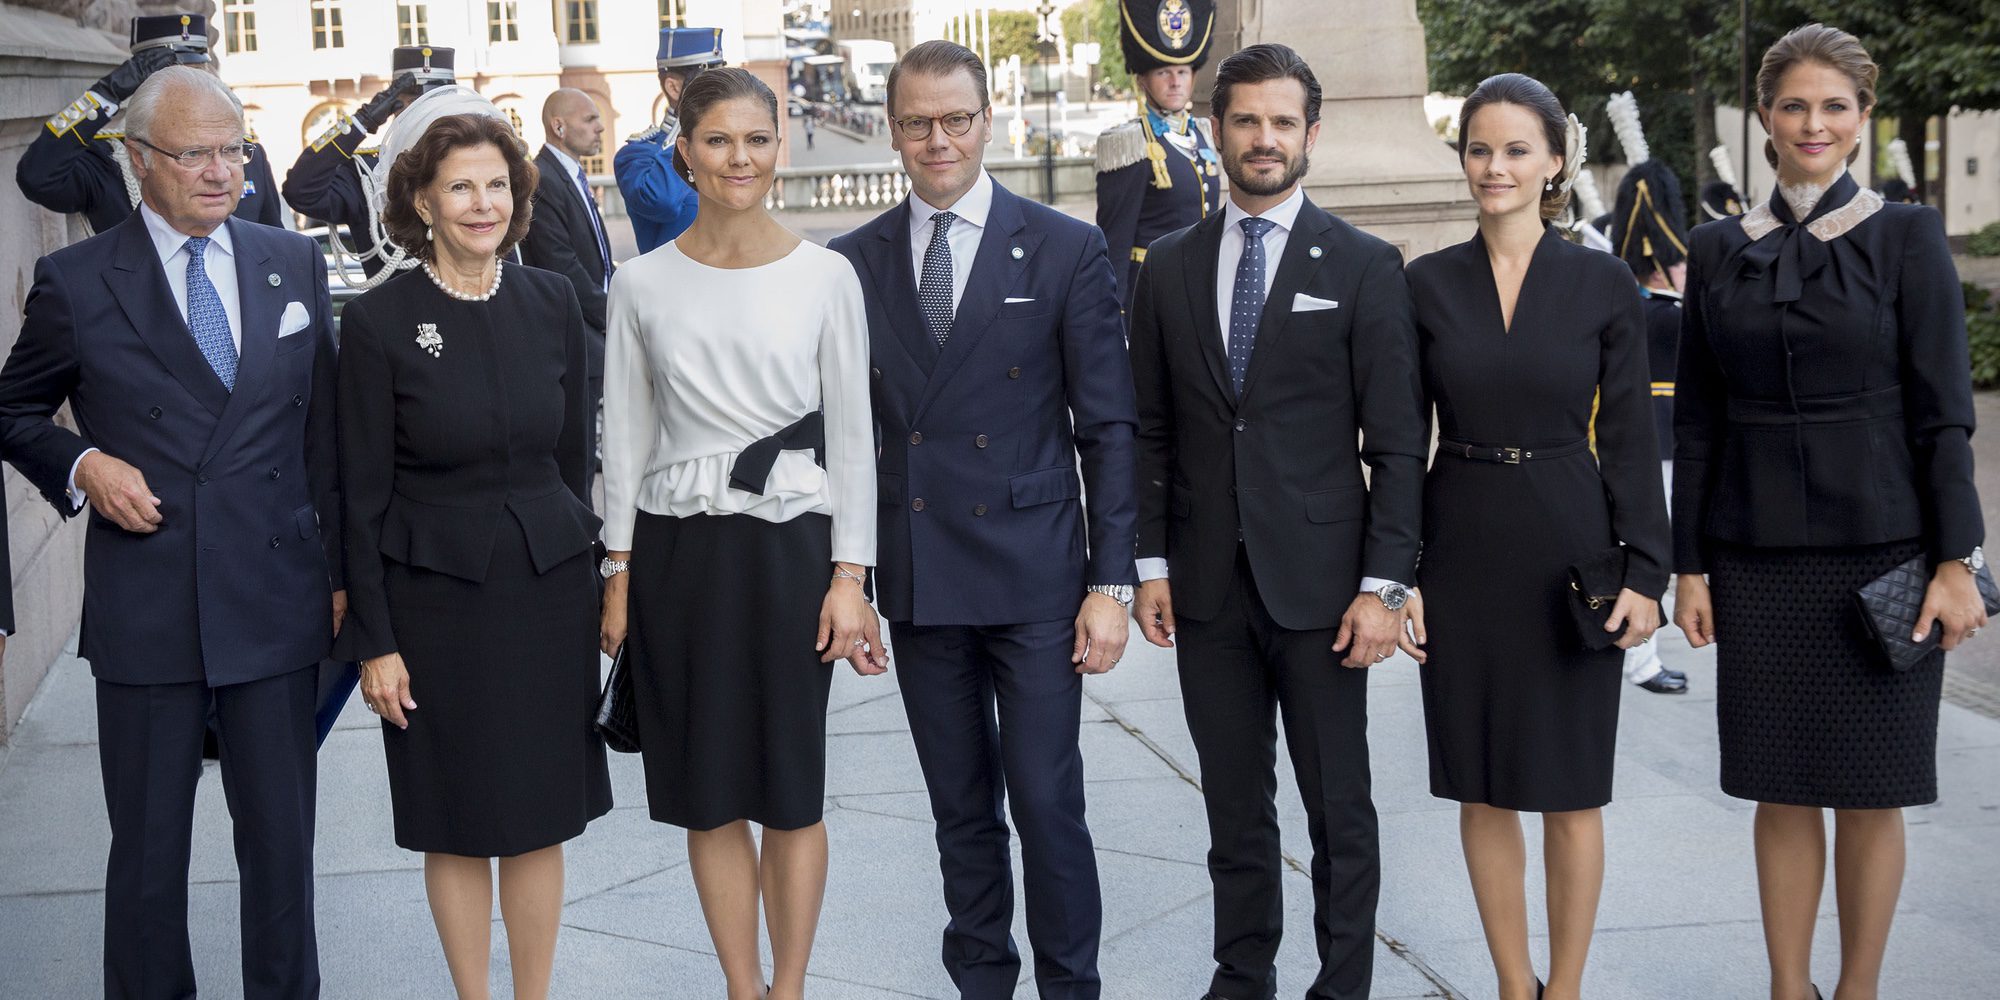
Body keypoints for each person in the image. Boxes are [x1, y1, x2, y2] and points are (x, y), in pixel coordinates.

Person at [0, 65, 341, 999]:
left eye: (234, 151)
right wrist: (83, 465)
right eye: (195, 154)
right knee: (148, 863)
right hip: (150, 612)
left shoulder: (292, 261)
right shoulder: (76, 281)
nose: (220, 172)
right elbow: (11, 409)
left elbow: (327, 439)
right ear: (139, 160)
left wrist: (344, 581)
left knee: (281, 858)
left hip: (274, 606)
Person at [1672, 24, 1986, 1000]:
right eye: (1794, 104)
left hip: (1884, 559)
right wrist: (1687, 566)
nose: (1813, 122)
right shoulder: (1719, 248)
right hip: (1755, 561)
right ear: (1764, 115)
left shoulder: (1905, 235)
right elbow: (1696, 418)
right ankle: (1785, 986)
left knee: (1869, 787)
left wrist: (1955, 560)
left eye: (1833, 105)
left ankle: (1855, 988)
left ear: (1859, 117)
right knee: (1779, 784)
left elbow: (1944, 413)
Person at [827, 39, 1137, 999]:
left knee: (1047, 803)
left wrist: (1111, 584)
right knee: (960, 810)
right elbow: (842, 438)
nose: (937, 140)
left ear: (987, 118)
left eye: (954, 118)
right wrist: (853, 581)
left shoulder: (1064, 244)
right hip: (922, 580)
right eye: (916, 122)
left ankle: (1071, 988)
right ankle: (983, 987)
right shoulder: (850, 262)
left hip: (1039, 573)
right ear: (892, 128)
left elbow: (1110, 427)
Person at [1127, 43, 1425, 1000]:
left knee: (1340, 806)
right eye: (1247, 119)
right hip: (1208, 584)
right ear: (1218, 131)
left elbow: (1398, 446)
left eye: (1282, 122)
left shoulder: (1366, 264)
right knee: (1232, 807)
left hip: (1327, 589)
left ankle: (1342, 985)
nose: (1264, 138)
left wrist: (1385, 587)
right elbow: (1152, 429)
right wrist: (1149, 563)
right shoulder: (1169, 267)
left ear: (1311, 136)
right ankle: (1241, 975)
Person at [598, 67, 881, 1000]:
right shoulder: (638, 283)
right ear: (683, 148)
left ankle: (789, 988)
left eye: (756, 139)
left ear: (781, 146)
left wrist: (853, 575)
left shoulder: (827, 274)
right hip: (678, 554)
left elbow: (852, 438)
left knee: (792, 788)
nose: (739, 158)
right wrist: (619, 571)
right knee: (706, 792)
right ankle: (739, 985)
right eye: (718, 140)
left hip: (791, 555)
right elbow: (625, 436)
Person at [333, 96, 610, 1000]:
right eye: (462, 187)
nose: (483, 204)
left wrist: (604, 575)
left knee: (538, 816)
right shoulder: (378, 324)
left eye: (497, 185)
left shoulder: (552, 298)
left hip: (545, 593)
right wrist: (376, 642)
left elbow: (572, 463)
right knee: (452, 817)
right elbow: (360, 496)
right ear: (423, 202)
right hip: (433, 603)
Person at [1408, 74, 1668, 1000]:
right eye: (1480, 147)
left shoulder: (1601, 280)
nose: (1496, 166)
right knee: (1480, 783)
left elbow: (1634, 434)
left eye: (1517, 149)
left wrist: (1648, 569)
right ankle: (1515, 986)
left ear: (1555, 160)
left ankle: (1566, 988)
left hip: (1571, 543)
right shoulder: (1426, 283)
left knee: (1570, 787)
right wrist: (1402, 575)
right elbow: (1402, 441)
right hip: (1463, 541)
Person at [17, 13, 283, 234]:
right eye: (174, 80)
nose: (192, 92)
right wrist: (106, 94)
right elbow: (38, 177)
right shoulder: (110, 160)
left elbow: (275, 243)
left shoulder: (246, 157)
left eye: (197, 75)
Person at [1606, 153, 1694, 696]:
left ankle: (1640, 654)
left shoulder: (1662, 302)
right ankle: (1641, 659)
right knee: (1644, 552)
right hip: (1651, 437)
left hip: (1666, 433)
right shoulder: (1657, 306)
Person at [281, 45, 459, 282]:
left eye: (434, 102)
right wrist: (363, 121)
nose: (424, 113)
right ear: (395, 108)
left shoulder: (478, 165)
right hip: (394, 314)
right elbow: (300, 191)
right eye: (414, 103)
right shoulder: (368, 172)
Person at [1094, 0, 1222, 315]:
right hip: (1150, 292)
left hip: (1199, 289)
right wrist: (1115, 319)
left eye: (1183, 71)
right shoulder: (1130, 143)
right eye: (1164, 72)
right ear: (1142, 80)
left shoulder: (1203, 133)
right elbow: (1114, 242)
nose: (1176, 81)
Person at [520, 88, 616, 468]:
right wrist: (614, 313)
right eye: (590, 119)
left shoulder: (569, 173)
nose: (600, 128)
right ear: (558, 126)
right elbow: (562, 266)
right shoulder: (543, 178)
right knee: (575, 459)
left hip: (590, 330)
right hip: (574, 336)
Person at [615, 27, 726, 254]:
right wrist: (688, 121)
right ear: (674, 87)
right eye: (710, 83)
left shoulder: (728, 146)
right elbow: (661, 201)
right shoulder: (637, 154)